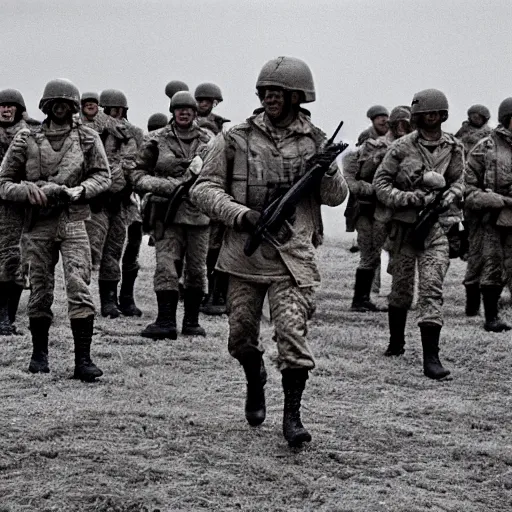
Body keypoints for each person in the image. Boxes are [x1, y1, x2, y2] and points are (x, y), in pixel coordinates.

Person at [190, 56, 348, 447]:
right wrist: (241, 215)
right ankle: (254, 376)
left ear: (297, 96)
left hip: (293, 258)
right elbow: (203, 189)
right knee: (241, 336)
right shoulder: (235, 138)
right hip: (244, 256)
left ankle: (291, 417)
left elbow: (335, 196)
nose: (270, 97)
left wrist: (326, 169)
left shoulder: (316, 139)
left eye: (278, 92)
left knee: (292, 337)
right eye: (265, 91)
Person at [0, 78, 111, 381]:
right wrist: (27, 192)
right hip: (38, 223)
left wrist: (82, 190)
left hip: (73, 219)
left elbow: (104, 176)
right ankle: (39, 354)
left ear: (74, 107)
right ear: (45, 106)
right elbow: (4, 182)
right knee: (39, 287)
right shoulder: (26, 138)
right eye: (54, 103)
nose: (60, 107)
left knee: (79, 285)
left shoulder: (87, 138)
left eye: (66, 103)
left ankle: (83, 360)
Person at [373, 89, 464, 380]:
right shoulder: (401, 147)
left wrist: (450, 195)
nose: (431, 119)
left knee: (431, 289)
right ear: (417, 117)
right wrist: (409, 198)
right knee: (400, 289)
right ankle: (396, 342)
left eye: (436, 114)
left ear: (444, 115)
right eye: (425, 114)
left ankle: (431, 358)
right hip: (404, 228)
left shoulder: (454, 147)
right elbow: (381, 183)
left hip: (437, 228)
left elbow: (461, 181)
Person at [127, 91, 212, 339]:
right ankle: (165, 321)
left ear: (195, 112)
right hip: (166, 213)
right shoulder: (156, 140)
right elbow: (136, 174)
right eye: (178, 109)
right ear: (172, 111)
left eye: (188, 109)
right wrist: (164, 186)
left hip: (198, 214)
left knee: (197, 269)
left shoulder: (209, 141)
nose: (183, 113)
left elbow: (219, 175)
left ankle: (192, 322)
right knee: (166, 266)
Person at [344, 106, 412, 312]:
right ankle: (360, 299)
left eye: (406, 124)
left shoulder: (409, 147)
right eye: (398, 123)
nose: (402, 128)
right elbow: (360, 174)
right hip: (369, 209)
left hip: (390, 208)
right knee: (370, 254)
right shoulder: (375, 145)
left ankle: (397, 296)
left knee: (398, 253)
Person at [84, 89, 138, 319]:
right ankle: (82, 299)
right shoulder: (90, 131)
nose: (116, 114)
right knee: (90, 251)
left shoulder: (132, 135)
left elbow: (135, 163)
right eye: (111, 110)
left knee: (114, 251)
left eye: (120, 110)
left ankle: (109, 301)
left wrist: (125, 187)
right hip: (96, 200)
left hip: (120, 201)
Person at [464, 98, 512, 333]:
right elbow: (468, 187)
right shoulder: (486, 147)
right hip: (492, 219)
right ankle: (491, 317)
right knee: (491, 265)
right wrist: (488, 199)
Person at [0, 89, 32, 335]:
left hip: (21, 204)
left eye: (11, 106)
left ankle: (8, 316)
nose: (5, 109)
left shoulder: (31, 134)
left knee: (16, 259)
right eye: (1, 106)